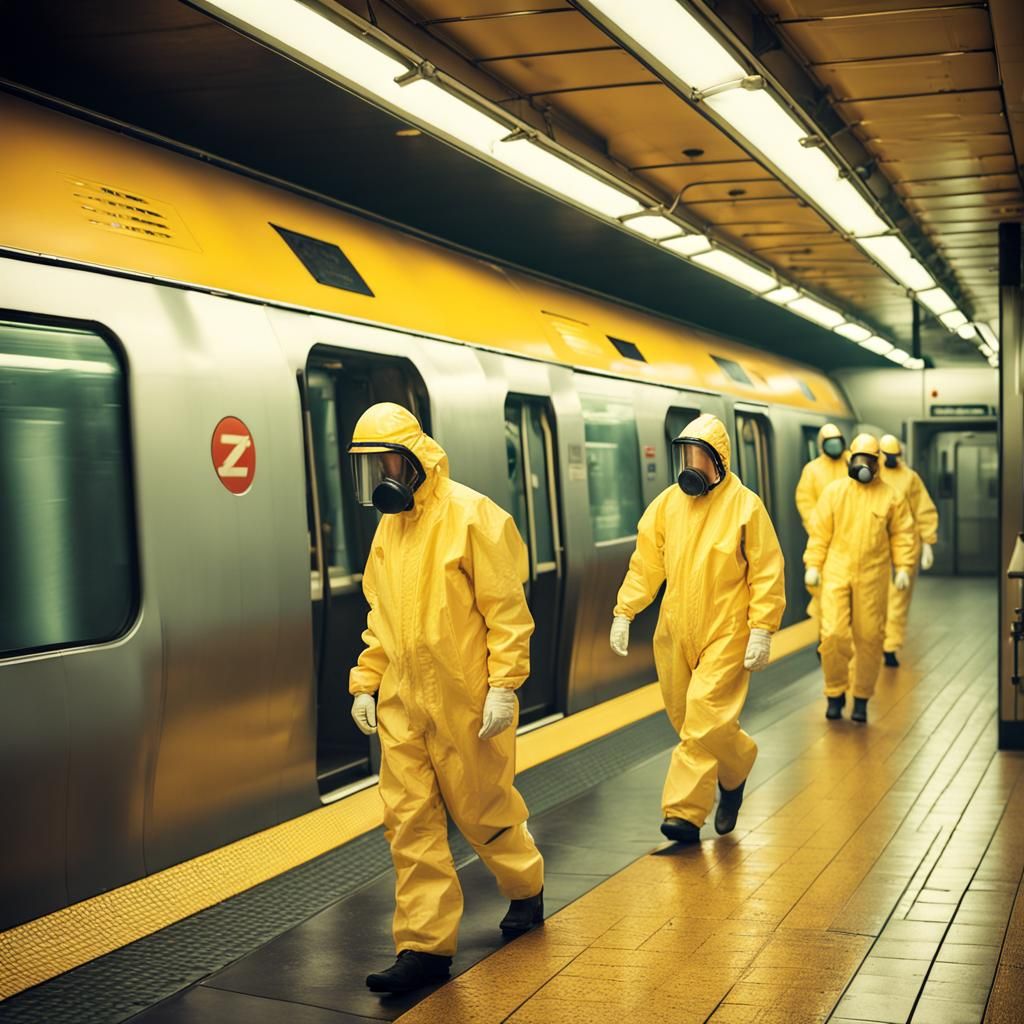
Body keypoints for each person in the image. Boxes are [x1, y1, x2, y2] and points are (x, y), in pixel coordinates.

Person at [347, 403, 544, 994]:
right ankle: (424, 948)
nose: (377, 476)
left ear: (412, 461)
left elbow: (507, 610)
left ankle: (525, 886)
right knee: (408, 822)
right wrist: (366, 680)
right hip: (404, 704)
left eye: (383, 462)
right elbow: (382, 617)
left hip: (467, 699)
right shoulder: (388, 532)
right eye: (367, 467)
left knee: (483, 809)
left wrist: (504, 685)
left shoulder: (473, 516)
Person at [609, 414, 785, 844]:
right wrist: (625, 610)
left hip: (727, 630)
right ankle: (737, 765)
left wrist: (762, 628)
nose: (693, 464)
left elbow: (766, 571)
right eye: (687, 455)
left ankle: (684, 814)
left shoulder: (746, 506)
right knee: (687, 718)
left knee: (704, 716)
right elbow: (646, 563)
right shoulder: (668, 505)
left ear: (719, 461)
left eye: (701, 456)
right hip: (674, 631)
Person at [804, 433, 916, 724]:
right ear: (850, 460)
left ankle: (862, 697)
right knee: (832, 635)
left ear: (877, 463)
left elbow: (902, 534)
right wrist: (813, 564)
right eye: (859, 459)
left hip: (872, 575)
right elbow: (820, 533)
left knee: (869, 638)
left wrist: (903, 567)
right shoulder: (834, 493)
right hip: (836, 571)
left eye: (870, 460)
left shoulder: (891, 496)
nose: (864, 465)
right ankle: (835, 692)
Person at [878, 434, 939, 667]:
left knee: (899, 601)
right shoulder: (873, 476)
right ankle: (874, 645)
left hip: (905, 547)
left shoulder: (909, 478)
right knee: (874, 602)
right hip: (877, 549)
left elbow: (923, 510)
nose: (891, 460)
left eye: (895, 456)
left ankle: (890, 646)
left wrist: (927, 544)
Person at [794, 424, 849, 625]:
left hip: (852, 539)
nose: (834, 446)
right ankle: (824, 638)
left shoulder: (852, 463)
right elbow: (805, 502)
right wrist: (818, 528)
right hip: (826, 544)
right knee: (824, 596)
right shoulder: (812, 470)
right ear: (821, 445)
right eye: (829, 442)